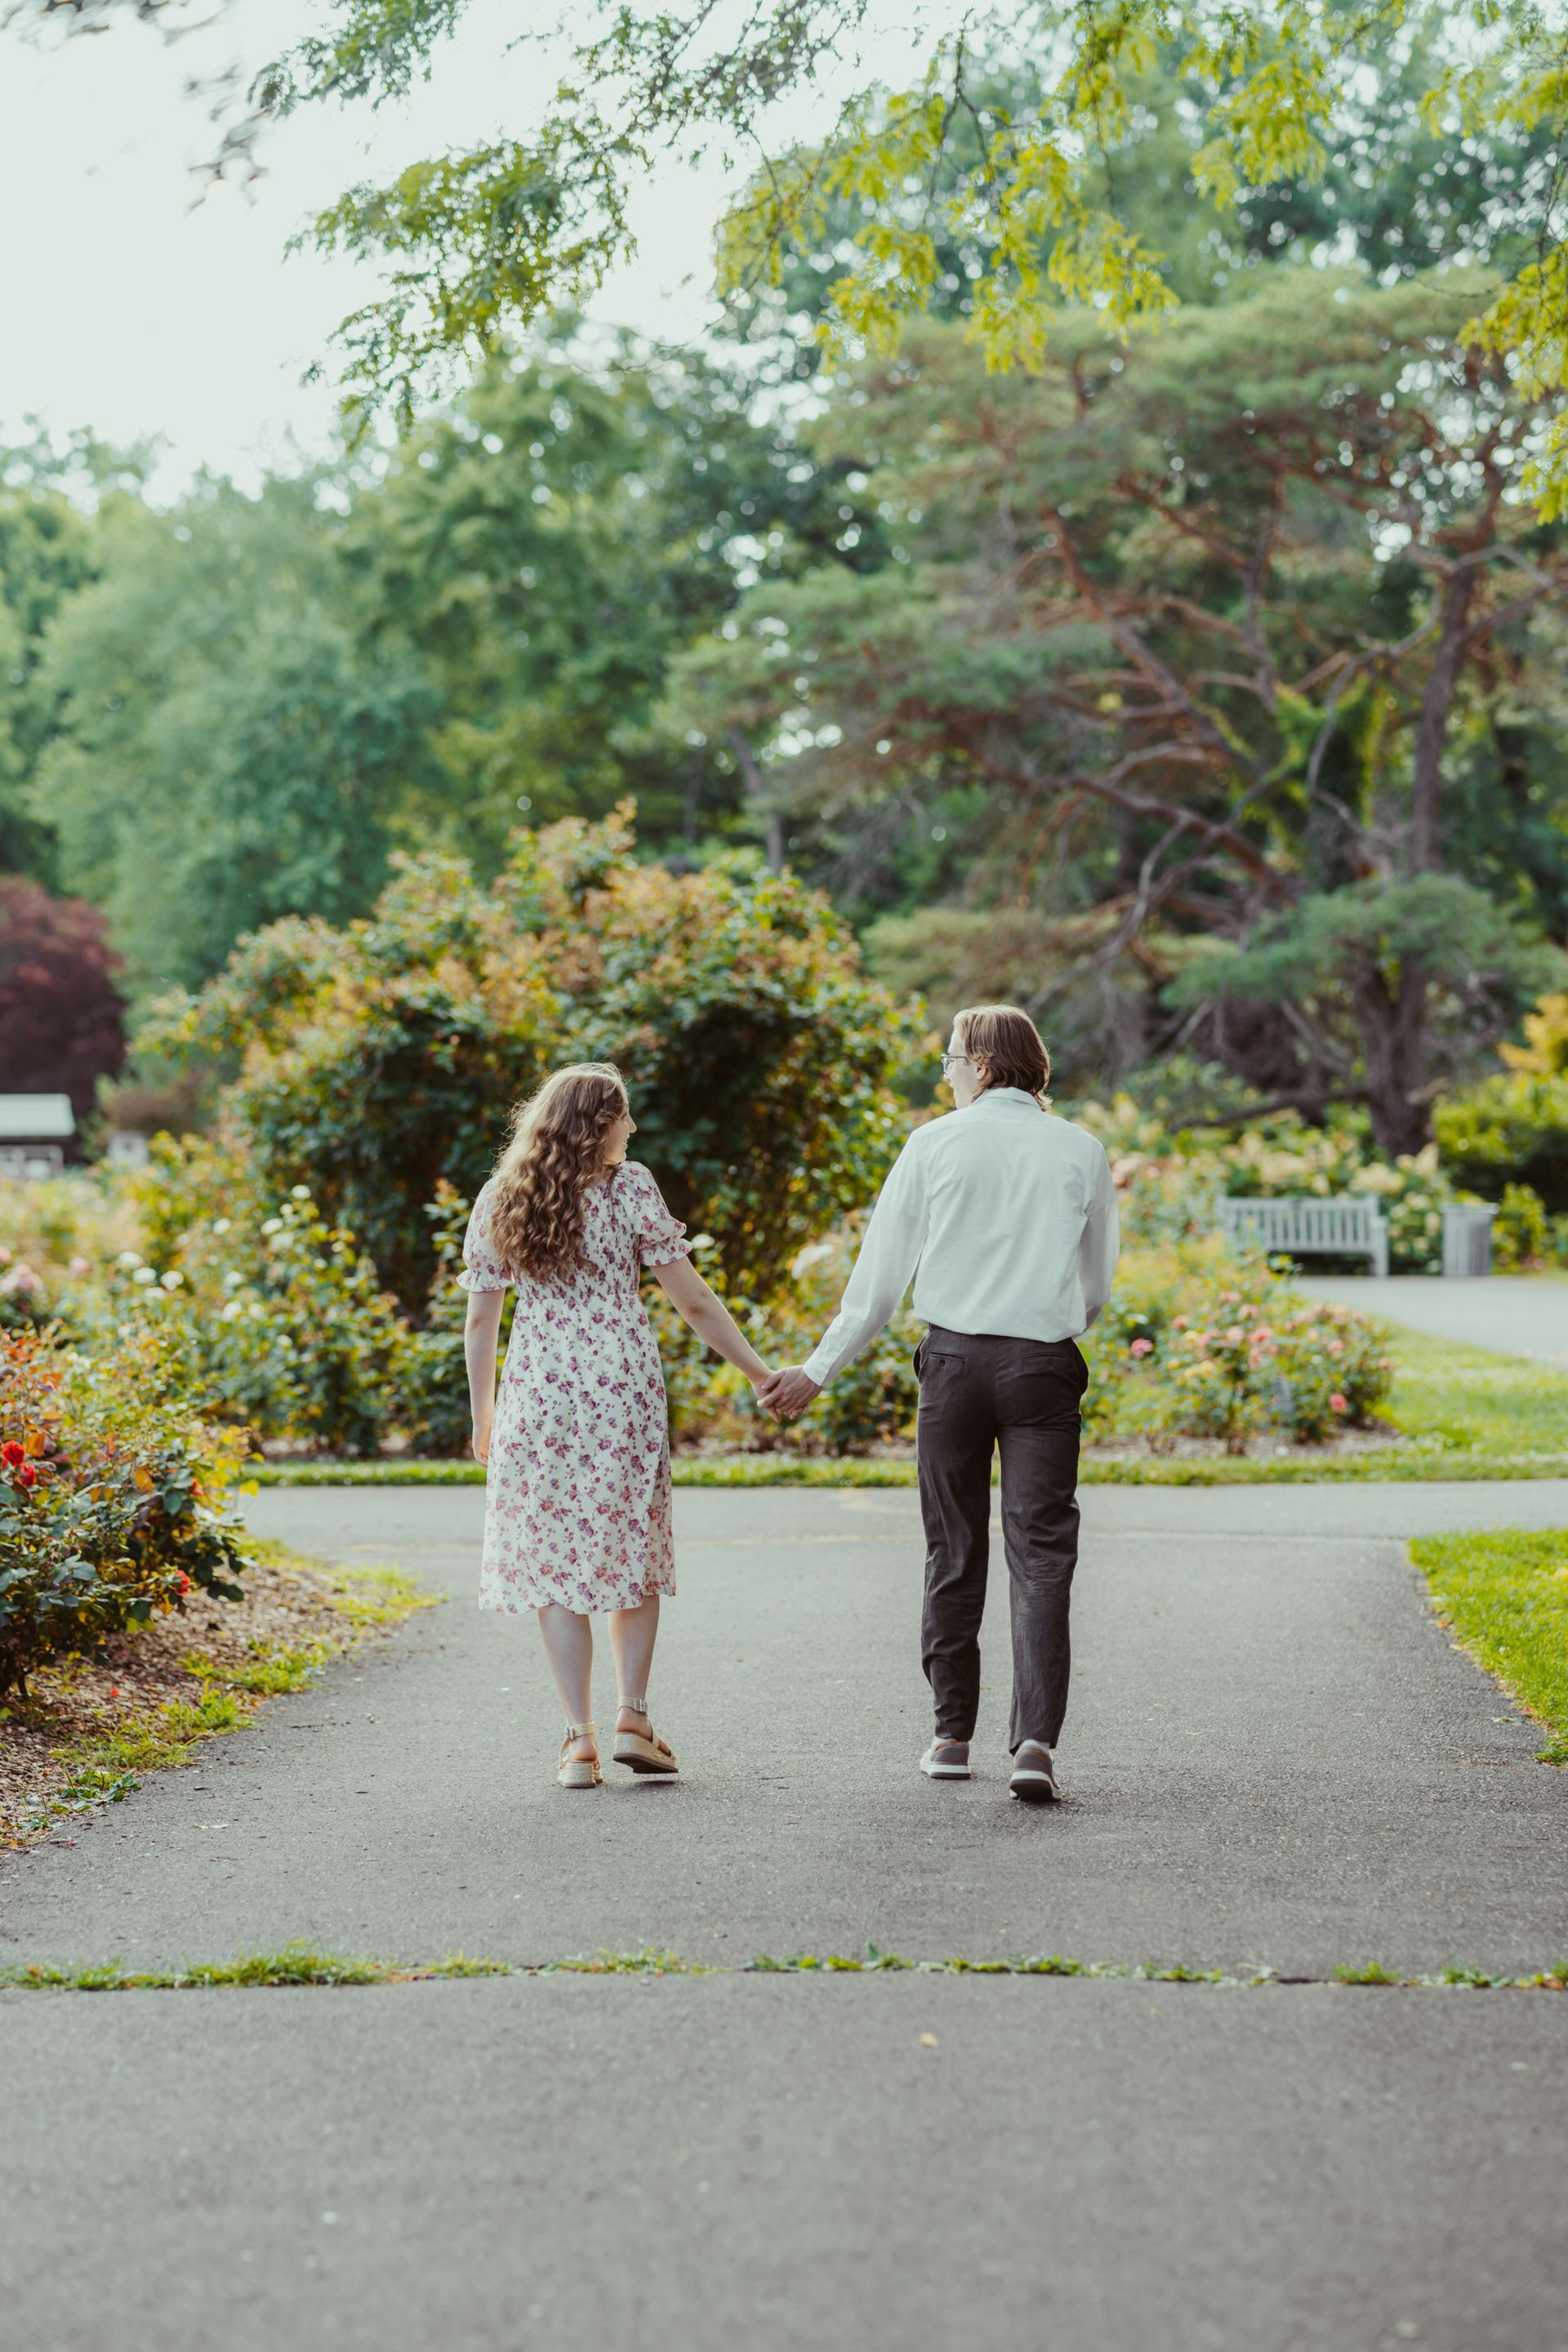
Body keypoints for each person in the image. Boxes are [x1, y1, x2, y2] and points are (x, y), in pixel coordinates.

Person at [760, 1004, 1118, 1803]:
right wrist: (1045, 1324)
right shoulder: (1081, 1150)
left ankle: (951, 1736)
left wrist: (819, 1371)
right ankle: (1033, 1745)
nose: (948, 1072)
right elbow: (1097, 1285)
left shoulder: (933, 1144)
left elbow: (880, 1282)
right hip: (1043, 1370)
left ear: (984, 1064)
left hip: (954, 1364)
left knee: (953, 1548)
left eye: (954, 1058)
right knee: (1042, 1556)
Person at [461, 1063, 774, 1788]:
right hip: (620, 1392)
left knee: (552, 1560)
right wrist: (759, 1373)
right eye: (625, 1118)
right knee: (630, 1540)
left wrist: (484, 1415)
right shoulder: (630, 1188)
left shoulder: (503, 1194)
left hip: (538, 1396)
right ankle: (634, 1714)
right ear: (599, 1123)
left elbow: (482, 1317)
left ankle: (579, 1742)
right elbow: (692, 1301)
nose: (633, 1130)